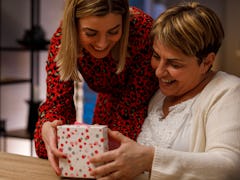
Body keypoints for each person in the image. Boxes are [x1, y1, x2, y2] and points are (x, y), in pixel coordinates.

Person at [88, 2, 240, 180]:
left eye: (174, 64)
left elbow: (229, 167)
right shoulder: (157, 94)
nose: (159, 71)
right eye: (156, 56)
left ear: (207, 62)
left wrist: (150, 159)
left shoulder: (228, 91)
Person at [33, 0, 158, 175]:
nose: (101, 43)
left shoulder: (142, 32)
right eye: (91, 33)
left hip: (145, 105)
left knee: (117, 159)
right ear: (74, 26)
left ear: (125, 21)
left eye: (113, 31)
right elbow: (57, 105)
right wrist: (49, 127)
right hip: (106, 102)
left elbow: (131, 109)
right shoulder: (62, 40)